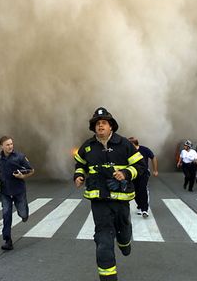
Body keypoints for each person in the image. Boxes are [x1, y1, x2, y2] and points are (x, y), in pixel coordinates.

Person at [74, 107, 145, 281]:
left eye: (104, 123)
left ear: (111, 126)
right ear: (94, 127)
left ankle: (125, 242)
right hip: (99, 201)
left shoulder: (124, 144)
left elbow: (141, 166)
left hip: (121, 200)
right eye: (97, 123)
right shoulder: (88, 147)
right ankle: (108, 278)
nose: (100, 126)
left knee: (124, 229)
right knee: (103, 239)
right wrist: (79, 175)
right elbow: (79, 164)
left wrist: (126, 174)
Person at [0, 136, 34, 251]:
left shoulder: (20, 157)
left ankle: (24, 215)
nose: (10, 146)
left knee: (23, 214)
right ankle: (7, 240)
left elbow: (31, 170)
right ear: (2, 146)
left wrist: (22, 176)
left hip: (18, 191)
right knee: (6, 215)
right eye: (7, 144)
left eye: (11, 144)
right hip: (5, 192)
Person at [128, 137, 158, 218]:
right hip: (133, 173)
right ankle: (140, 206)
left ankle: (144, 209)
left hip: (144, 173)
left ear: (133, 144)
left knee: (142, 189)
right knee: (135, 191)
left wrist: (155, 170)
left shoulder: (144, 149)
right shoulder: (129, 151)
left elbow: (153, 157)